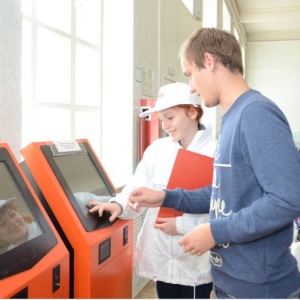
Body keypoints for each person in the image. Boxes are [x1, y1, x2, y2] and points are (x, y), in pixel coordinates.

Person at [127, 28, 300, 299]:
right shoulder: (232, 118)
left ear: (209, 61)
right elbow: (222, 194)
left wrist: (214, 231)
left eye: (190, 74)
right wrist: (164, 197)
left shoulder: (256, 114)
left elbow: (287, 199)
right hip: (232, 282)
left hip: (260, 289)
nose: (192, 87)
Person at [88, 82, 217, 299]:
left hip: (194, 259)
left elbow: (219, 206)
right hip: (161, 256)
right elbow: (137, 188)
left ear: (192, 112)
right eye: (161, 119)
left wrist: (183, 225)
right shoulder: (158, 150)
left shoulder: (216, 151)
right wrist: (118, 205)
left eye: (170, 117)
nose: (165, 125)